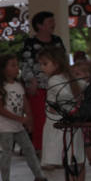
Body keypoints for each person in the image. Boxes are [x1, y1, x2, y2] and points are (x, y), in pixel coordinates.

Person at [0, 54, 55, 181]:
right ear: (3, 69)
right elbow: (0, 110)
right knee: (7, 152)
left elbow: (25, 103)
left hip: (18, 126)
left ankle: (39, 178)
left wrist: (29, 118)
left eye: (16, 65)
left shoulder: (18, 85)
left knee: (29, 150)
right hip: (4, 126)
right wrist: (20, 119)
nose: (16, 68)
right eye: (12, 65)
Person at [39, 45, 85, 181]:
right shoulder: (69, 77)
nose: (42, 67)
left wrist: (56, 105)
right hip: (70, 124)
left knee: (68, 162)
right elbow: (82, 88)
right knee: (70, 161)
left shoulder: (54, 80)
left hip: (60, 126)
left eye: (45, 64)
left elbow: (62, 98)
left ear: (56, 63)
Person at [18, 11, 64, 154]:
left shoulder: (57, 41)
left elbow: (63, 61)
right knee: (39, 118)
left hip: (57, 85)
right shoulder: (30, 42)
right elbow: (25, 64)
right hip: (38, 86)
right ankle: (40, 148)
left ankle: (58, 148)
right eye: (50, 22)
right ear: (39, 25)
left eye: (53, 21)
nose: (53, 24)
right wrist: (31, 81)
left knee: (58, 116)